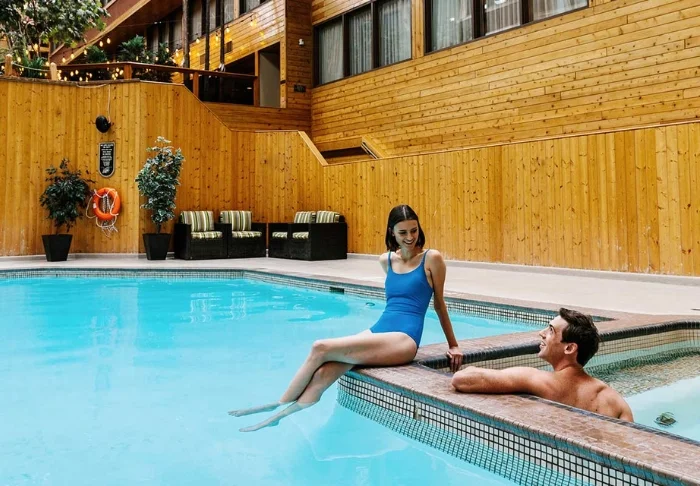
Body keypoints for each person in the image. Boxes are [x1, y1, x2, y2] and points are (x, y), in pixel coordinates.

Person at [230, 204, 464, 432]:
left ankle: (278, 403)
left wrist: (453, 345)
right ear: (391, 232)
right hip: (379, 330)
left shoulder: (431, 258)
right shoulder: (386, 261)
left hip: (405, 338)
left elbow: (439, 305)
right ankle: (280, 416)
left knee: (320, 347)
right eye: (403, 232)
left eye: (414, 230)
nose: (410, 237)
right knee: (324, 373)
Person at [451, 308, 633, 421]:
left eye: (551, 330)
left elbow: (461, 379)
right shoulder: (616, 403)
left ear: (569, 348)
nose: (542, 333)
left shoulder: (536, 380)